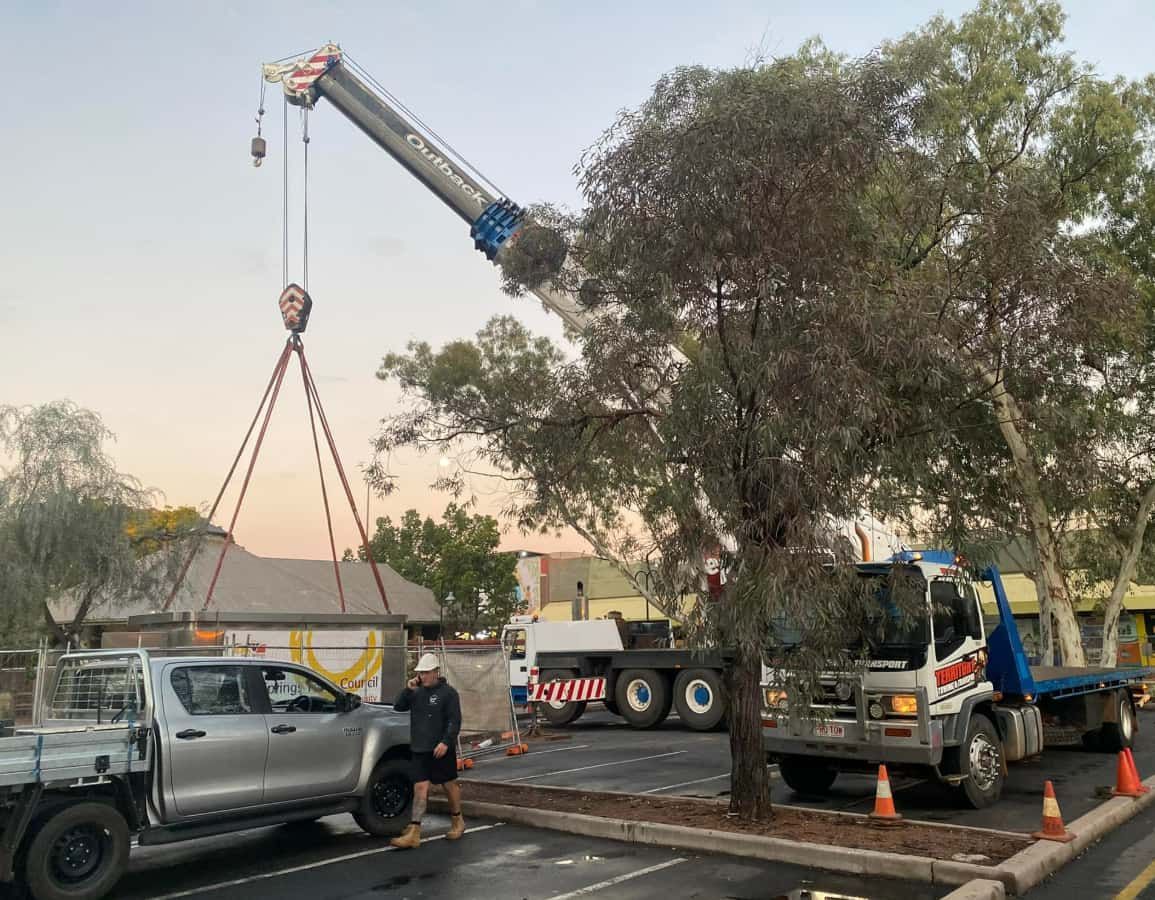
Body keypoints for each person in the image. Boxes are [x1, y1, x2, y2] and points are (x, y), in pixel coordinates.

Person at [389, 652, 464, 849]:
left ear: (436, 672)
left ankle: (457, 820)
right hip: (420, 747)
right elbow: (398, 706)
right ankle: (414, 830)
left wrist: (446, 741)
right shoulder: (416, 692)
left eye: (426, 672)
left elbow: (454, 720)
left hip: (440, 748)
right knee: (420, 787)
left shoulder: (449, 693)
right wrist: (407, 689)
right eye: (420, 673)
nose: (423, 676)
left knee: (449, 785)